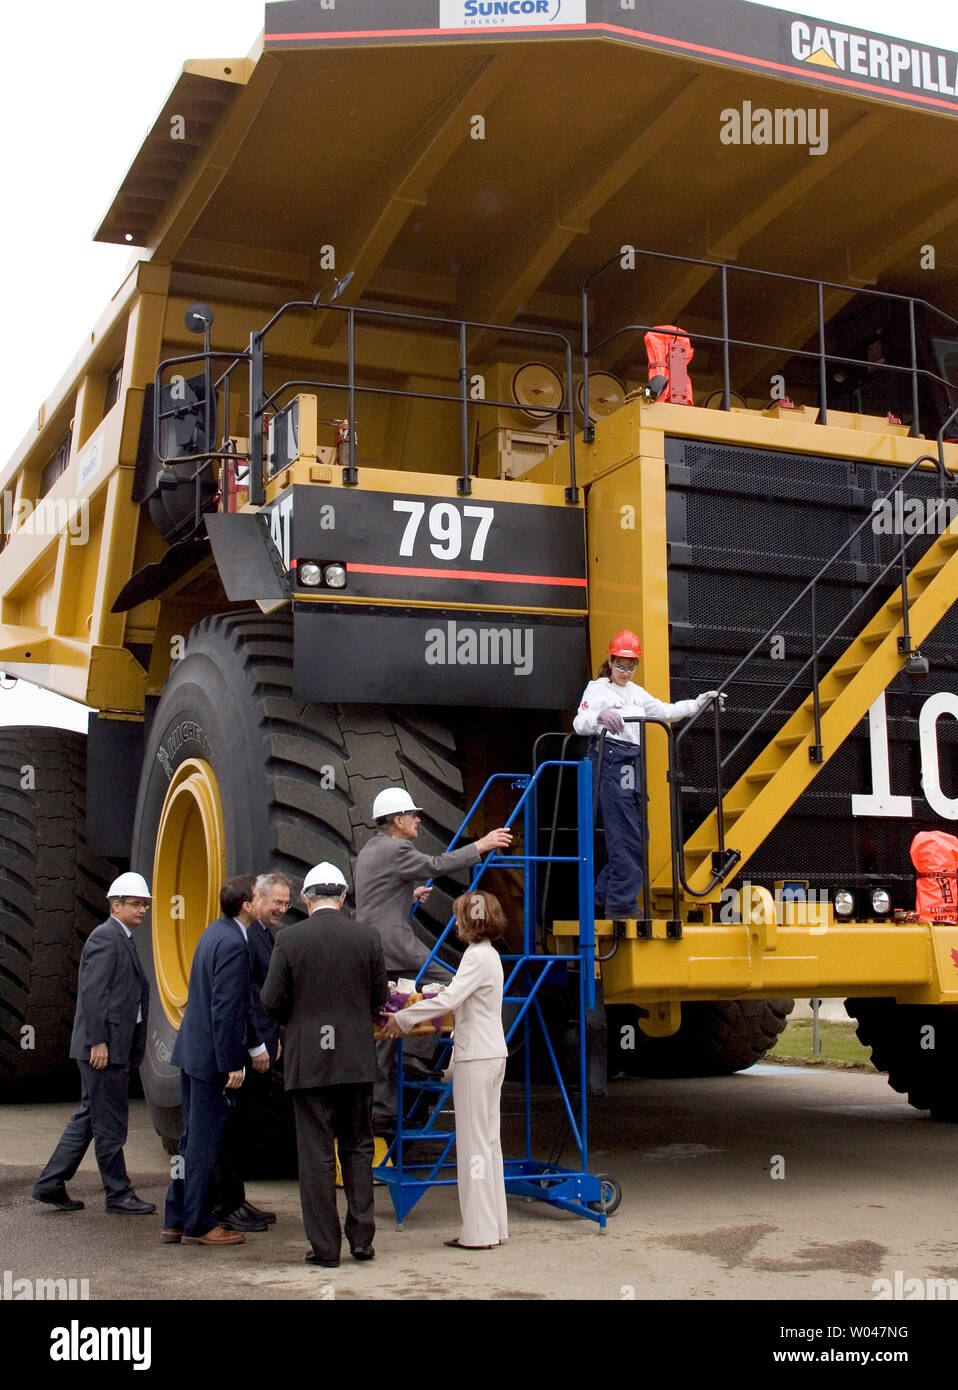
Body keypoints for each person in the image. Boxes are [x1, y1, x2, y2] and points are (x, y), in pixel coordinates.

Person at [353, 786, 512, 1129]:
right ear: (397, 820)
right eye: (413, 815)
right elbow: (437, 864)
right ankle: (414, 1053)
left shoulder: (371, 849)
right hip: (393, 943)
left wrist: (408, 894)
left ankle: (382, 1108)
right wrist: (481, 846)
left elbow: (375, 894)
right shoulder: (398, 849)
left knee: (386, 1019)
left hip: (371, 943)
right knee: (447, 983)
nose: (418, 821)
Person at [261, 861, 388, 1269]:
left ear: (306, 898)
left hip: (309, 1061)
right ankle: (363, 1240)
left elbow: (270, 1000)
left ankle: (325, 1248)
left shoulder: (290, 940)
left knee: (316, 1153)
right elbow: (379, 997)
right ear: (344, 897)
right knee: (358, 1146)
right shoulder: (367, 936)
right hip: (355, 1059)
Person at [382, 889, 508, 1250]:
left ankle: (478, 1233)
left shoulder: (474, 956)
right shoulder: (490, 955)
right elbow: (460, 994)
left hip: (475, 1057)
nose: (455, 923)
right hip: (492, 1052)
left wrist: (402, 1018)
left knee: (473, 1146)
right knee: (489, 1143)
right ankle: (494, 1227)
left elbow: (452, 1000)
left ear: (470, 921)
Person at [573, 630, 724, 920]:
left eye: (631, 666)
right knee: (624, 836)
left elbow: (666, 711)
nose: (625, 672)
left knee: (639, 836)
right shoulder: (598, 689)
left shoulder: (636, 694)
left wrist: (699, 703)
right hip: (610, 760)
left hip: (632, 763)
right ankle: (621, 906)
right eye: (620, 665)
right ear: (611, 660)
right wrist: (598, 718)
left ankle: (603, 894)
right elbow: (580, 722)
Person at [32, 874, 155, 1216]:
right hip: (104, 1049)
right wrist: (97, 1042)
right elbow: (93, 994)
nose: (142, 909)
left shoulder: (122, 937)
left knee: (90, 1117)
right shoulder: (106, 937)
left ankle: (50, 1184)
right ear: (116, 905)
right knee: (110, 1123)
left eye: (145, 904)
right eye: (136, 903)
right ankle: (118, 1193)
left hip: (113, 1047)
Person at [162, 875, 269, 1248]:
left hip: (192, 1053)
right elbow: (227, 1008)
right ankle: (199, 1225)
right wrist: (232, 1062)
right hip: (212, 1060)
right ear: (246, 905)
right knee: (206, 1145)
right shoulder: (234, 944)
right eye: (259, 896)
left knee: (189, 1142)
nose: (263, 900)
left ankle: (175, 1218)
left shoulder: (213, 933)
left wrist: (252, 1045)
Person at [211, 872, 291, 1233]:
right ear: (255, 899)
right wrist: (256, 1042)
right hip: (247, 1047)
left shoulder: (260, 933)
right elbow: (242, 998)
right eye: (275, 902)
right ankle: (227, 1204)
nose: (281, 909)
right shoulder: (238, 939)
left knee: (245, 1126)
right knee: (233, 1126)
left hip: (261, 1041)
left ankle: (237, 1198)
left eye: (286, 903)